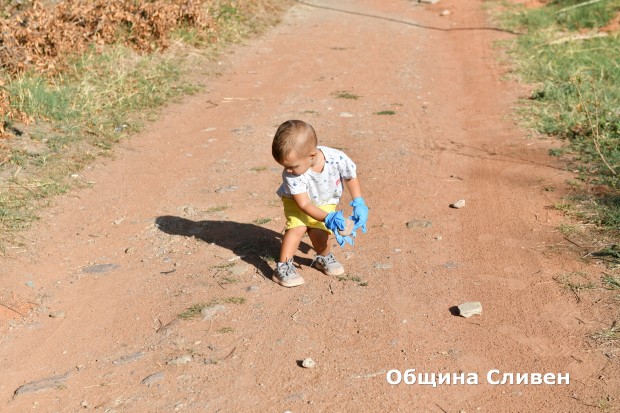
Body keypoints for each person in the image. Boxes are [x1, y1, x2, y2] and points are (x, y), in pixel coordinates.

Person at [271, 120, 369, 287]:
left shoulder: (336, 158)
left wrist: (358, 201)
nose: (287, 170)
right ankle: (283, 267)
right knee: (298, 227)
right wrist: (329, 217)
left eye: (292, 166)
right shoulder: (291, 175)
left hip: (325, 199)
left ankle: (323, 257)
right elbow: (304, 205)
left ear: (312, 156)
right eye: (285, 166)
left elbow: (350, 175)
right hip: (296, 201)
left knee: (319, 231)